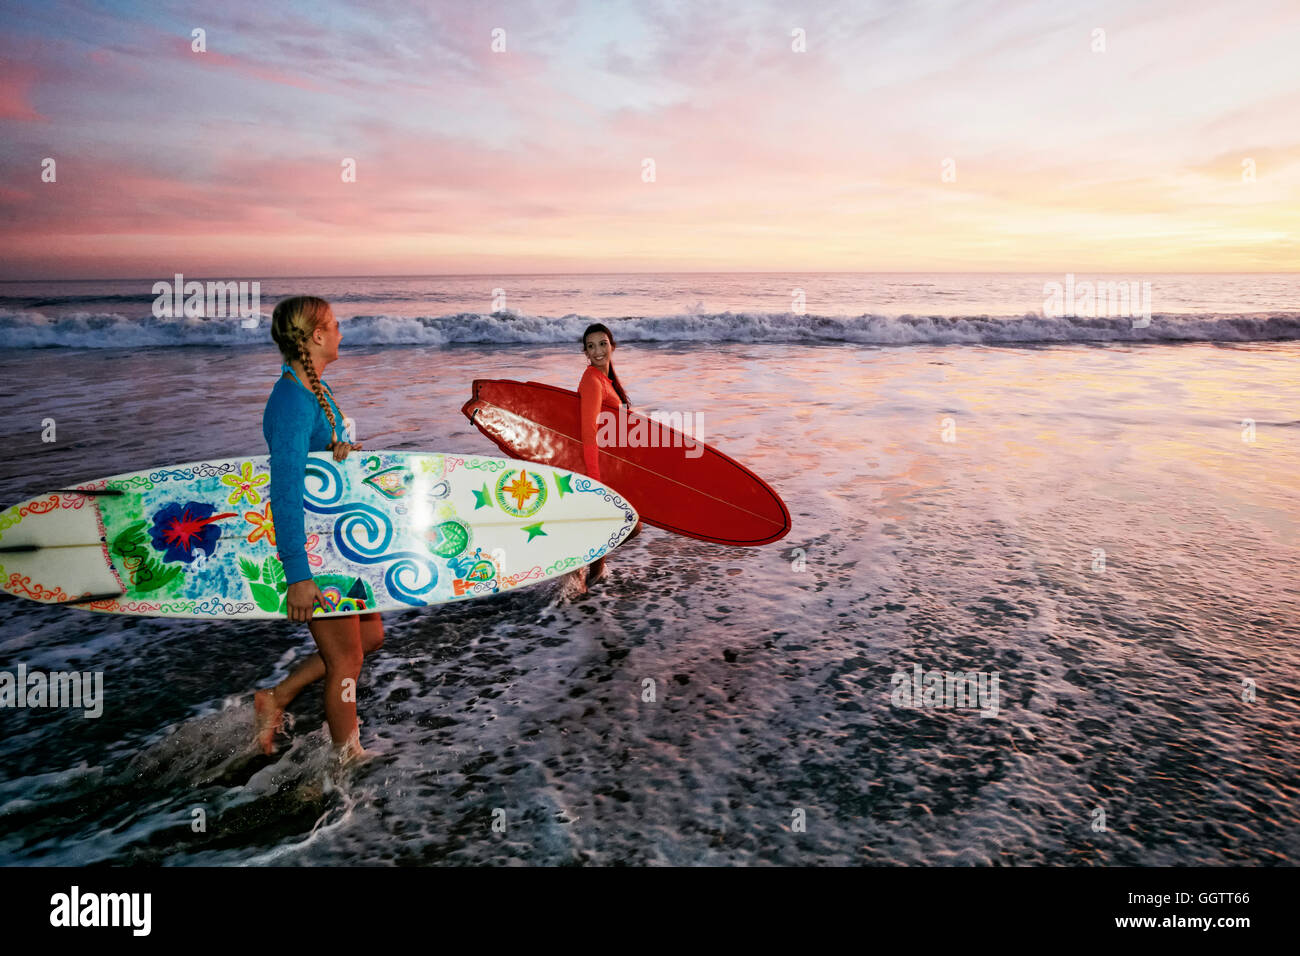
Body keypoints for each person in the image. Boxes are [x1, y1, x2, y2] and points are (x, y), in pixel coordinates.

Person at [252, 295, 384, 764]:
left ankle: (278, 696)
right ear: (316, 336)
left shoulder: (316, 392)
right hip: (313, 553)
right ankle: (346, 756)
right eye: (335, 324)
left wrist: (340, 453)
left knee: (369, 638)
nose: (342, 332)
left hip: (336, 543)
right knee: (346, 660)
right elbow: (284, 490)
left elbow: (318, 468)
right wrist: (298, 577)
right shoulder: (291, 401)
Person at [578, 322, 641, 585]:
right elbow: (588, 431)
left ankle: (587, 587)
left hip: (605, 468)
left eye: (603, 344)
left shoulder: (608, 381)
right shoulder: (592, 380)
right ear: (586, 353)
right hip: (594, 470)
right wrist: (595, 480)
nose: (599, 350)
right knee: (632, 525)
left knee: (603, 530)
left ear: (612, 346)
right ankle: (578, 562)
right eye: (591, 346)